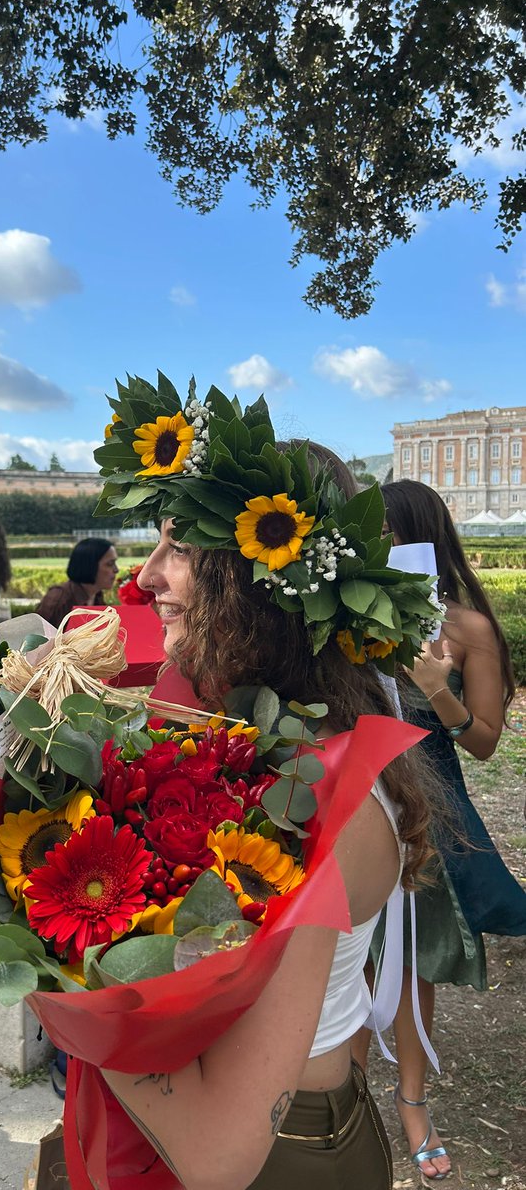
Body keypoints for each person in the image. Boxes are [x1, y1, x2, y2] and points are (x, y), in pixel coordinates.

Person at [93, 379, 443, 1190]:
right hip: (300, 1124)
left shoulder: (320, 793)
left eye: (180, 550)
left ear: (263, 581)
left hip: (279, 1156)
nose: (144, 578)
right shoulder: (281, 745)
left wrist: (55, 983)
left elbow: (221, 1156)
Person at [353, 479, 526, 1184]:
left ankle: (413, 1105)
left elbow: (483, 742)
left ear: (420, 537)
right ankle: (349, 1095)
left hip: (428, 810)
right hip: (358, 802)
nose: (377, 548)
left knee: (415, 962)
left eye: (389, 535)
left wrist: (435, 685)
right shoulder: (350, 610)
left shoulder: (469, 628)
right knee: (351, 951)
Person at [35, 537, 119, 628]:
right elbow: (38, 637)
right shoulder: (59, 599)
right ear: (89, 565)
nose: (116, 570)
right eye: (110, 564)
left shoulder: (97, 597)